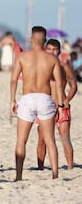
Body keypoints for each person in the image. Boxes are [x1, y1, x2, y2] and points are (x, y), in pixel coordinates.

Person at [10, 26, 64, 181]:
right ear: (45, 41)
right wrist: (60, 105)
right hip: (45, 98)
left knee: (21, 140)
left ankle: (19, 176)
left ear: (31, 40)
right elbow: (59, 85)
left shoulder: (21, 56)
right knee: (50, 140)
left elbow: (14, 79)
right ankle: (55, 174)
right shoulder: (52, 59)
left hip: (27, 98)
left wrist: (12, 100)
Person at [36, 39, 77, 170]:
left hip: (62, 107)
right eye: (49, 49)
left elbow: (73, 86)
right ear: (45, 50)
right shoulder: (40, 66)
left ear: (59, 51)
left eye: (55, 50)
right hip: (45, 106)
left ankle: (70, 168)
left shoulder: (64, 67)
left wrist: (67, 100)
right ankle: (40, 168)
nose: (52, 52)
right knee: (42, 139)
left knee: (65, 138)